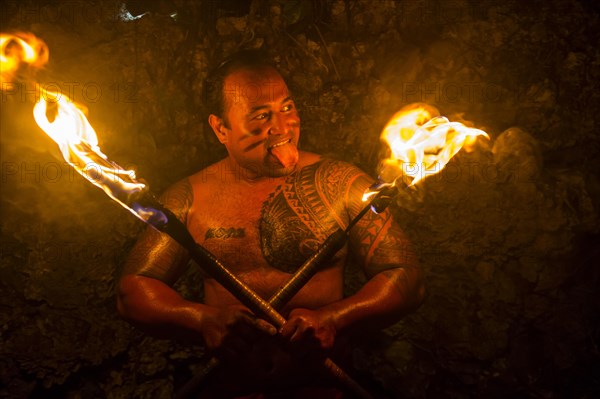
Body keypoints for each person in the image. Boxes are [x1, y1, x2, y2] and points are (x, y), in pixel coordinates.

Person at [117, 50, 425, 398]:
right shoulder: (189, 199)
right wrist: (201, 319)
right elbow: (133, 293)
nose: (282, 128)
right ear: (221, 128)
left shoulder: (341, 184)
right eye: (261, 116)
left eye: (288, 107)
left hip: (321, 390)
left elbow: (407, 277)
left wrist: (335, 318)